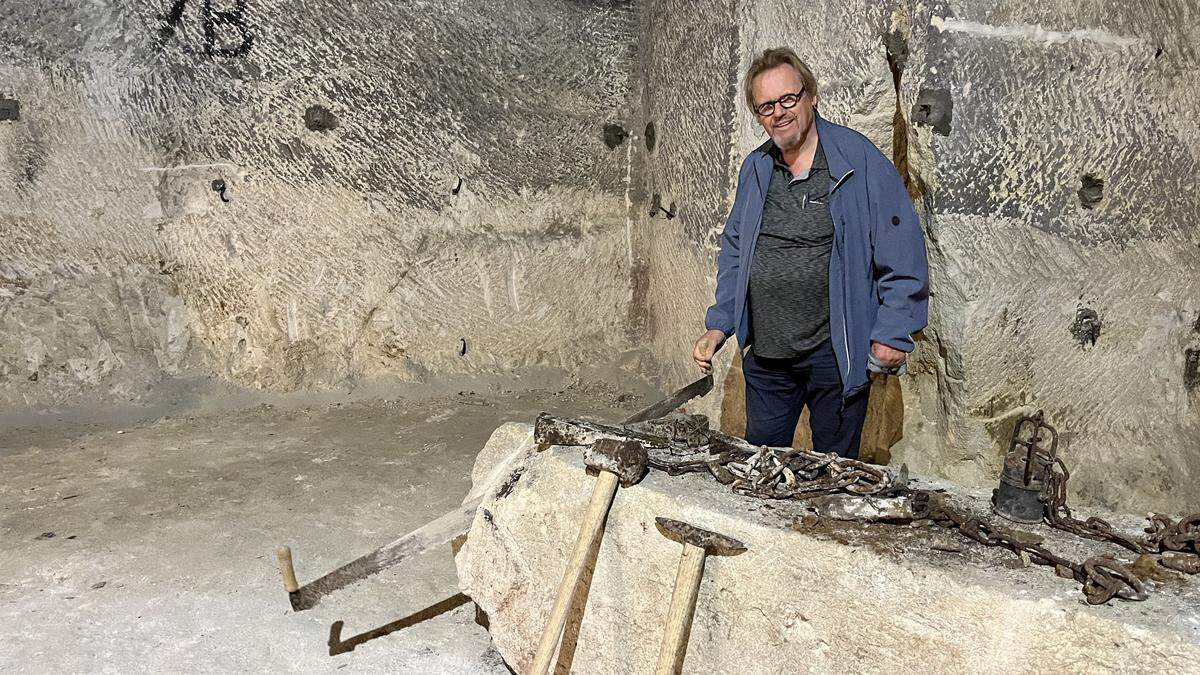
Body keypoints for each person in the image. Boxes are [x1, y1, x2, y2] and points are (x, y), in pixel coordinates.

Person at [692, 47, 929, 458]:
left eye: (788, 98)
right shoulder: (756, 168)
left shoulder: (857, 161)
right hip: (768, 359)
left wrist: (893, 331)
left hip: (834, 357)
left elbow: (902, 248)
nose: (779, 113)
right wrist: (721, 323)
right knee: (763, 468)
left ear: (811, 96)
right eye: (766, 106)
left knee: (832, 471)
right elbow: (736, 251)